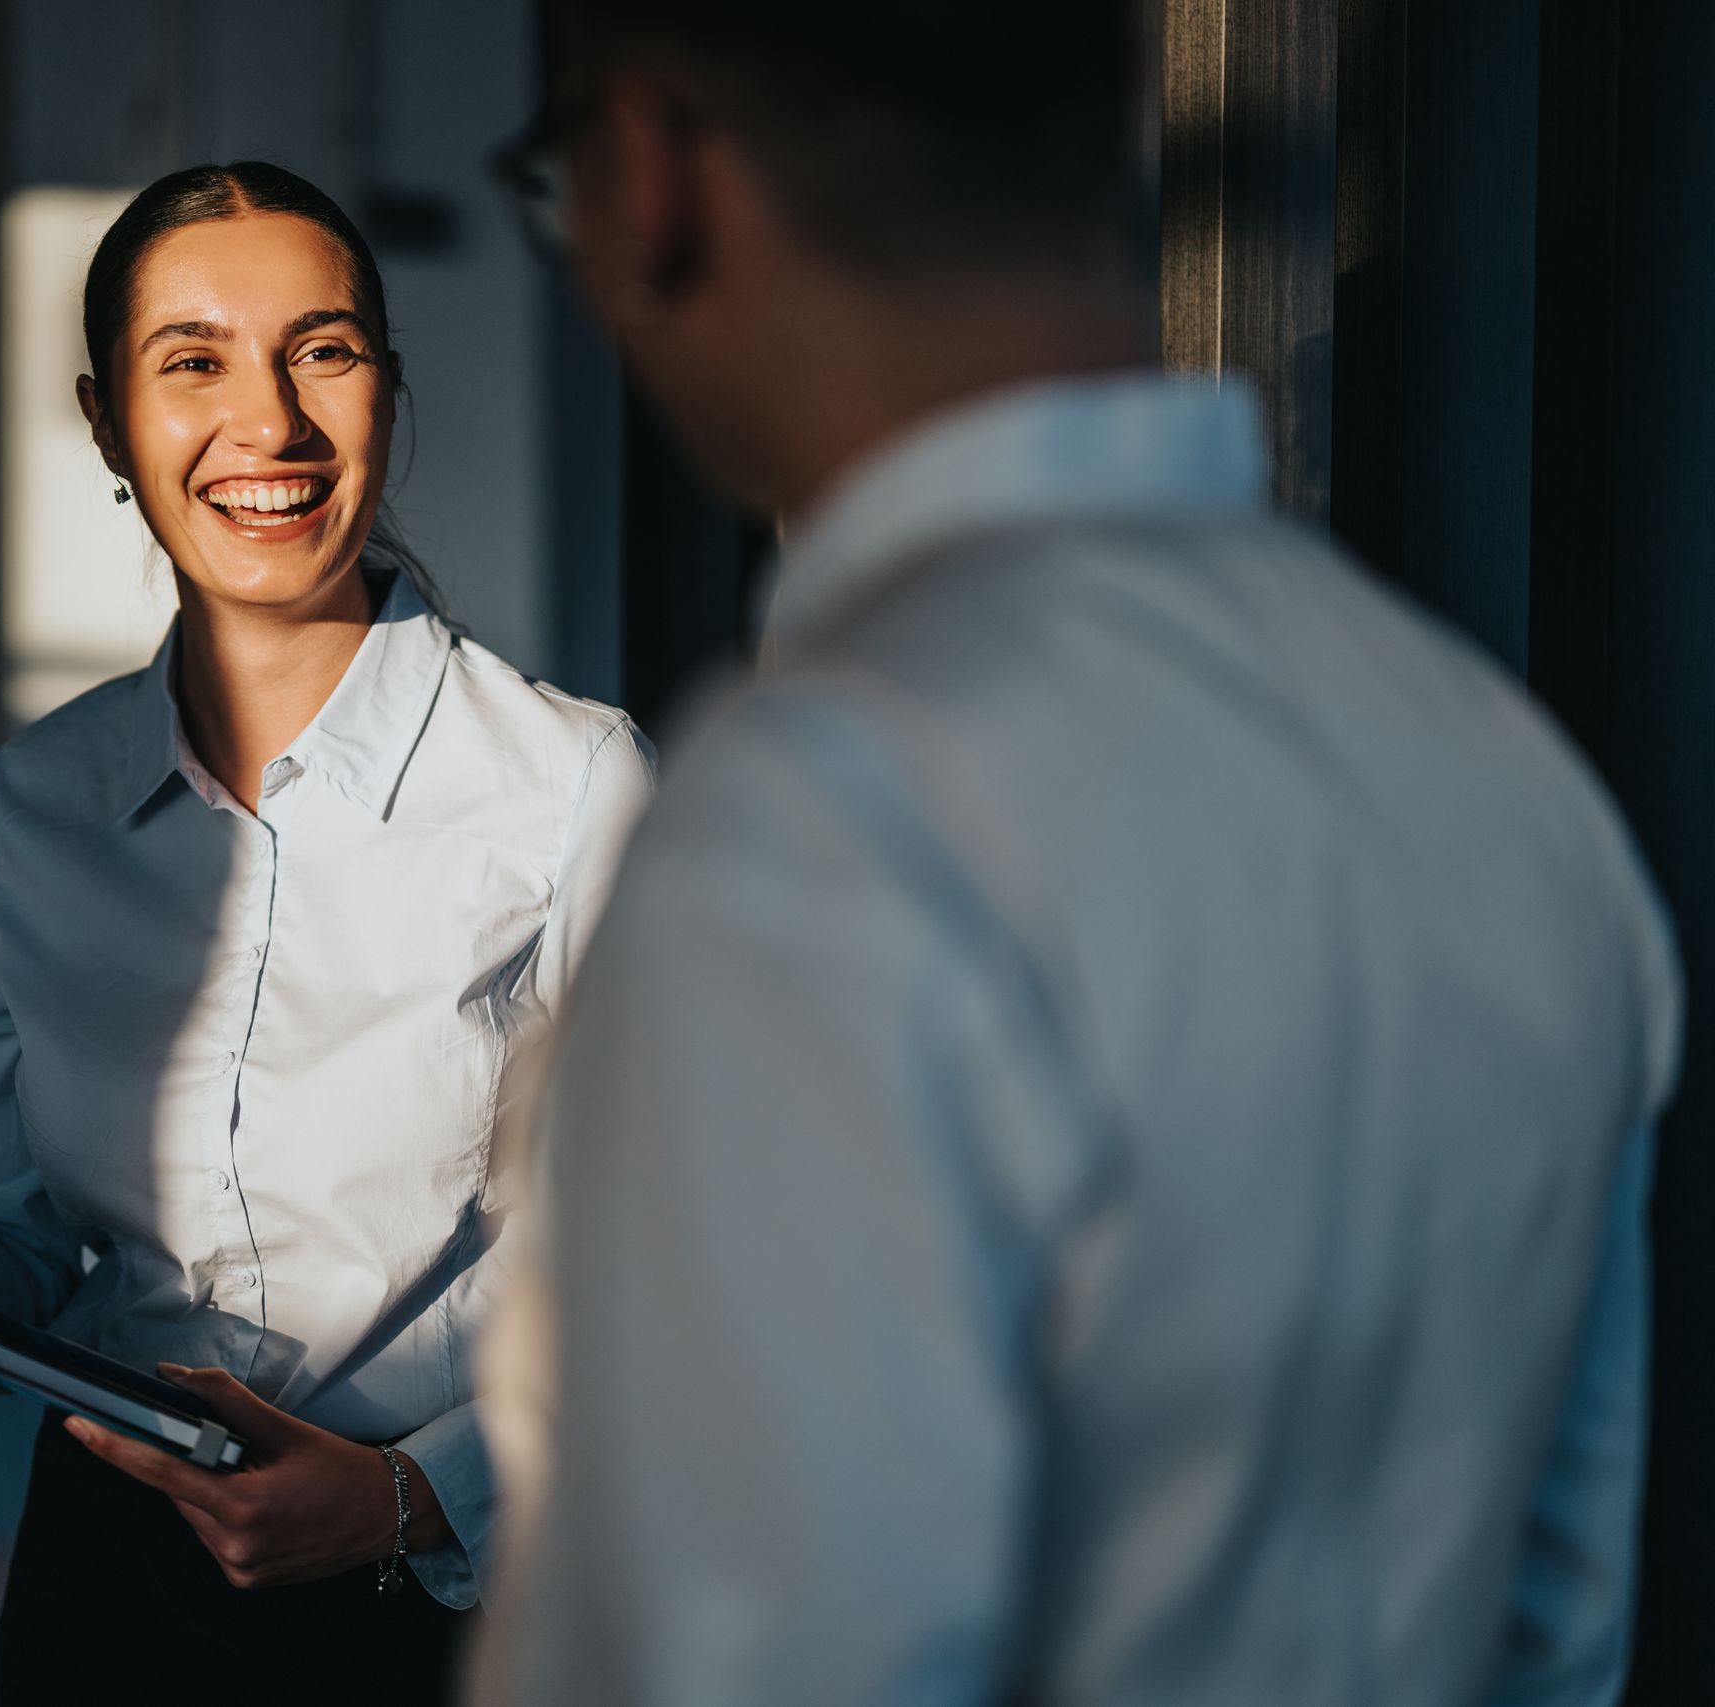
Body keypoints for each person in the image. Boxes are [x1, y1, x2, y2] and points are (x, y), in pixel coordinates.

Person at [474, 4, 1680, 1704]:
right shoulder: (1502, 777)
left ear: (648, 179)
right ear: (1120, 105)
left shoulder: (823, 829)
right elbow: (1555, 1636)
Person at [0, 160, 654, 1704]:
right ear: (107, 421)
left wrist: (408, 1494)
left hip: (449, 1588)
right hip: (111, 1577)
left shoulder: (571, 782)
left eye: (324, 349)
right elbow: (20, 1256)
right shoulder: (38, 800)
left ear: (386, 386)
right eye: (194, 362)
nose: (273, 423)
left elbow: (673, 1277)